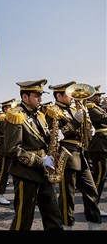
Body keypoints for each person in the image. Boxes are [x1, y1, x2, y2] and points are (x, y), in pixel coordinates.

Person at [4, 79, 63, 230]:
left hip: (44, 171)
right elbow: (12, 149)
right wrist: (40, 161)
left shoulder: (39, 115)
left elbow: (42, 139)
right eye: (36, 96)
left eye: (40, 95)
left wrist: (55, 136)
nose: (40, 99)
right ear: (25, 97)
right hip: (26, 173)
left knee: (53, 215)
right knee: (24, 218)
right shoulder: (15, 115)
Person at [47, 82, 101, 230]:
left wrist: (89, 130)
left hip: (80, 154)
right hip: (67, 155)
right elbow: (57, 135)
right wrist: (75, 121)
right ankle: (66, 226)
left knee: (92, 191)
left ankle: (94, 225)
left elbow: (81, 131)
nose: (72, 97)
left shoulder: (74, 108)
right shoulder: (52, 110)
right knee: (67, 196)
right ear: (59, 96)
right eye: (68, 94)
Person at [87, 85, 107, 217]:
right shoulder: (90, 107)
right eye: (97, 95)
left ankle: (93, 206)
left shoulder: (97, 107)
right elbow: (104, 118)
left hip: (102, 146)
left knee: (101, 177)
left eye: (100, 95)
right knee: (98, 178)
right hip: (98, 147)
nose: (99, 98)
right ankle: (92, 207)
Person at [0, 98, 16, 205]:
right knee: (3, 172)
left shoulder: (10, 117)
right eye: (10, 107)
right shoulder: (2, 117)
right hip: (4, 149)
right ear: (6, 108)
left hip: (12, 148)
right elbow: (5, 132)